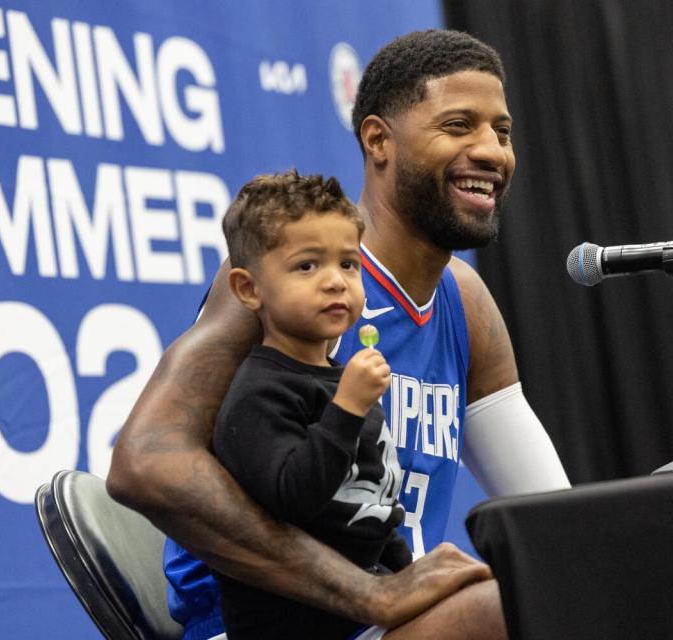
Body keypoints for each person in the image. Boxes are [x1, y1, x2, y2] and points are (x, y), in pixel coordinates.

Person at [108, 29, 570, 640]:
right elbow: (145, 464)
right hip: (271, 627)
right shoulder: (286, 284)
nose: (491, 151)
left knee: (583, 584)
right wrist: (369, 593)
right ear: (379, 140)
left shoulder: (467, 302)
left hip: (395, 618)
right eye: (459, 126)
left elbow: (555, 518)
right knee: (512, 609)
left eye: (502, 131)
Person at [213, 170, 412, 638]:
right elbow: (294, 497)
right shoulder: (258, 393)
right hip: (300, 623)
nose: (335, 282)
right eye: (307, 266)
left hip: (362, 609)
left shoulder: (347, 379)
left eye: (348, 264)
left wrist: (411, 579)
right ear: (248, 289)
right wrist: (345, 409)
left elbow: (379, 514)